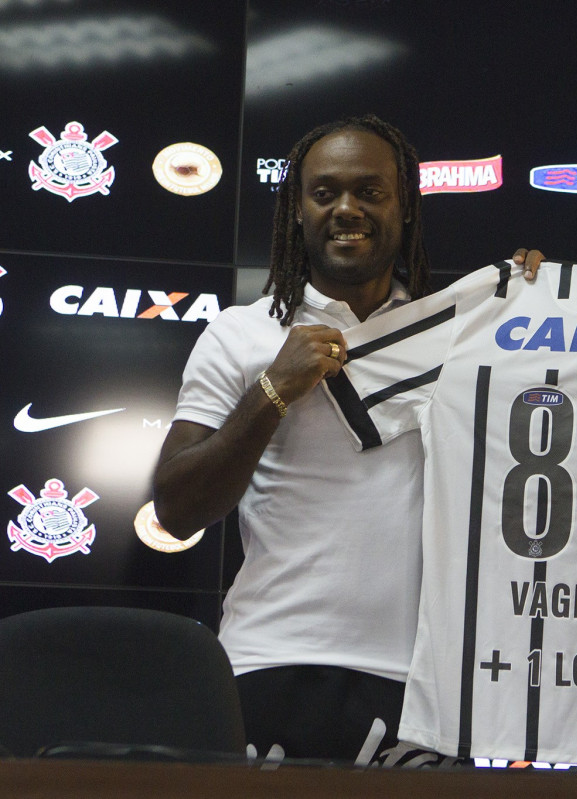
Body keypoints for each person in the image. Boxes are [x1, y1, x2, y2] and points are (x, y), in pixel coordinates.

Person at [152, 114, 436, 764]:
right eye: (325, 191)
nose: (346, 209)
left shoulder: (458, 335)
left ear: (406, 207)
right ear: (296, 211)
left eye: (370, 191)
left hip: (418, 678)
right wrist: (272, 391)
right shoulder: (240, 333)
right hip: (267, 662)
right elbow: (176, 506)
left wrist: (535, 303)